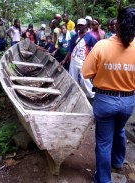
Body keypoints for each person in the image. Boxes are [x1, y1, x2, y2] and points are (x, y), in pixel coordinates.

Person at [82, 7, 135, 183]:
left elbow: (86, 73)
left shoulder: (102, 45)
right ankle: (118, 162)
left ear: (117, 24)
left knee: (104, 142)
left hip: (104, 100)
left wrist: (104, 72)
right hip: (128, 102)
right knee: (119, 129)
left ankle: (104, 180)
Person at [61, 18, 97, 99]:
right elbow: (70, 49)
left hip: (83, 60)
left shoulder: (90, 37)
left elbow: (96, 48)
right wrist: (65, 60)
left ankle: (91, 95)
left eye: (81, 25)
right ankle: (73, 92)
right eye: (78, 25)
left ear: (86, 26)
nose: (80, 27)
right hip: (74, 59)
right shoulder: (75, 36)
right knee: (73, 77)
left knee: (84, 79)